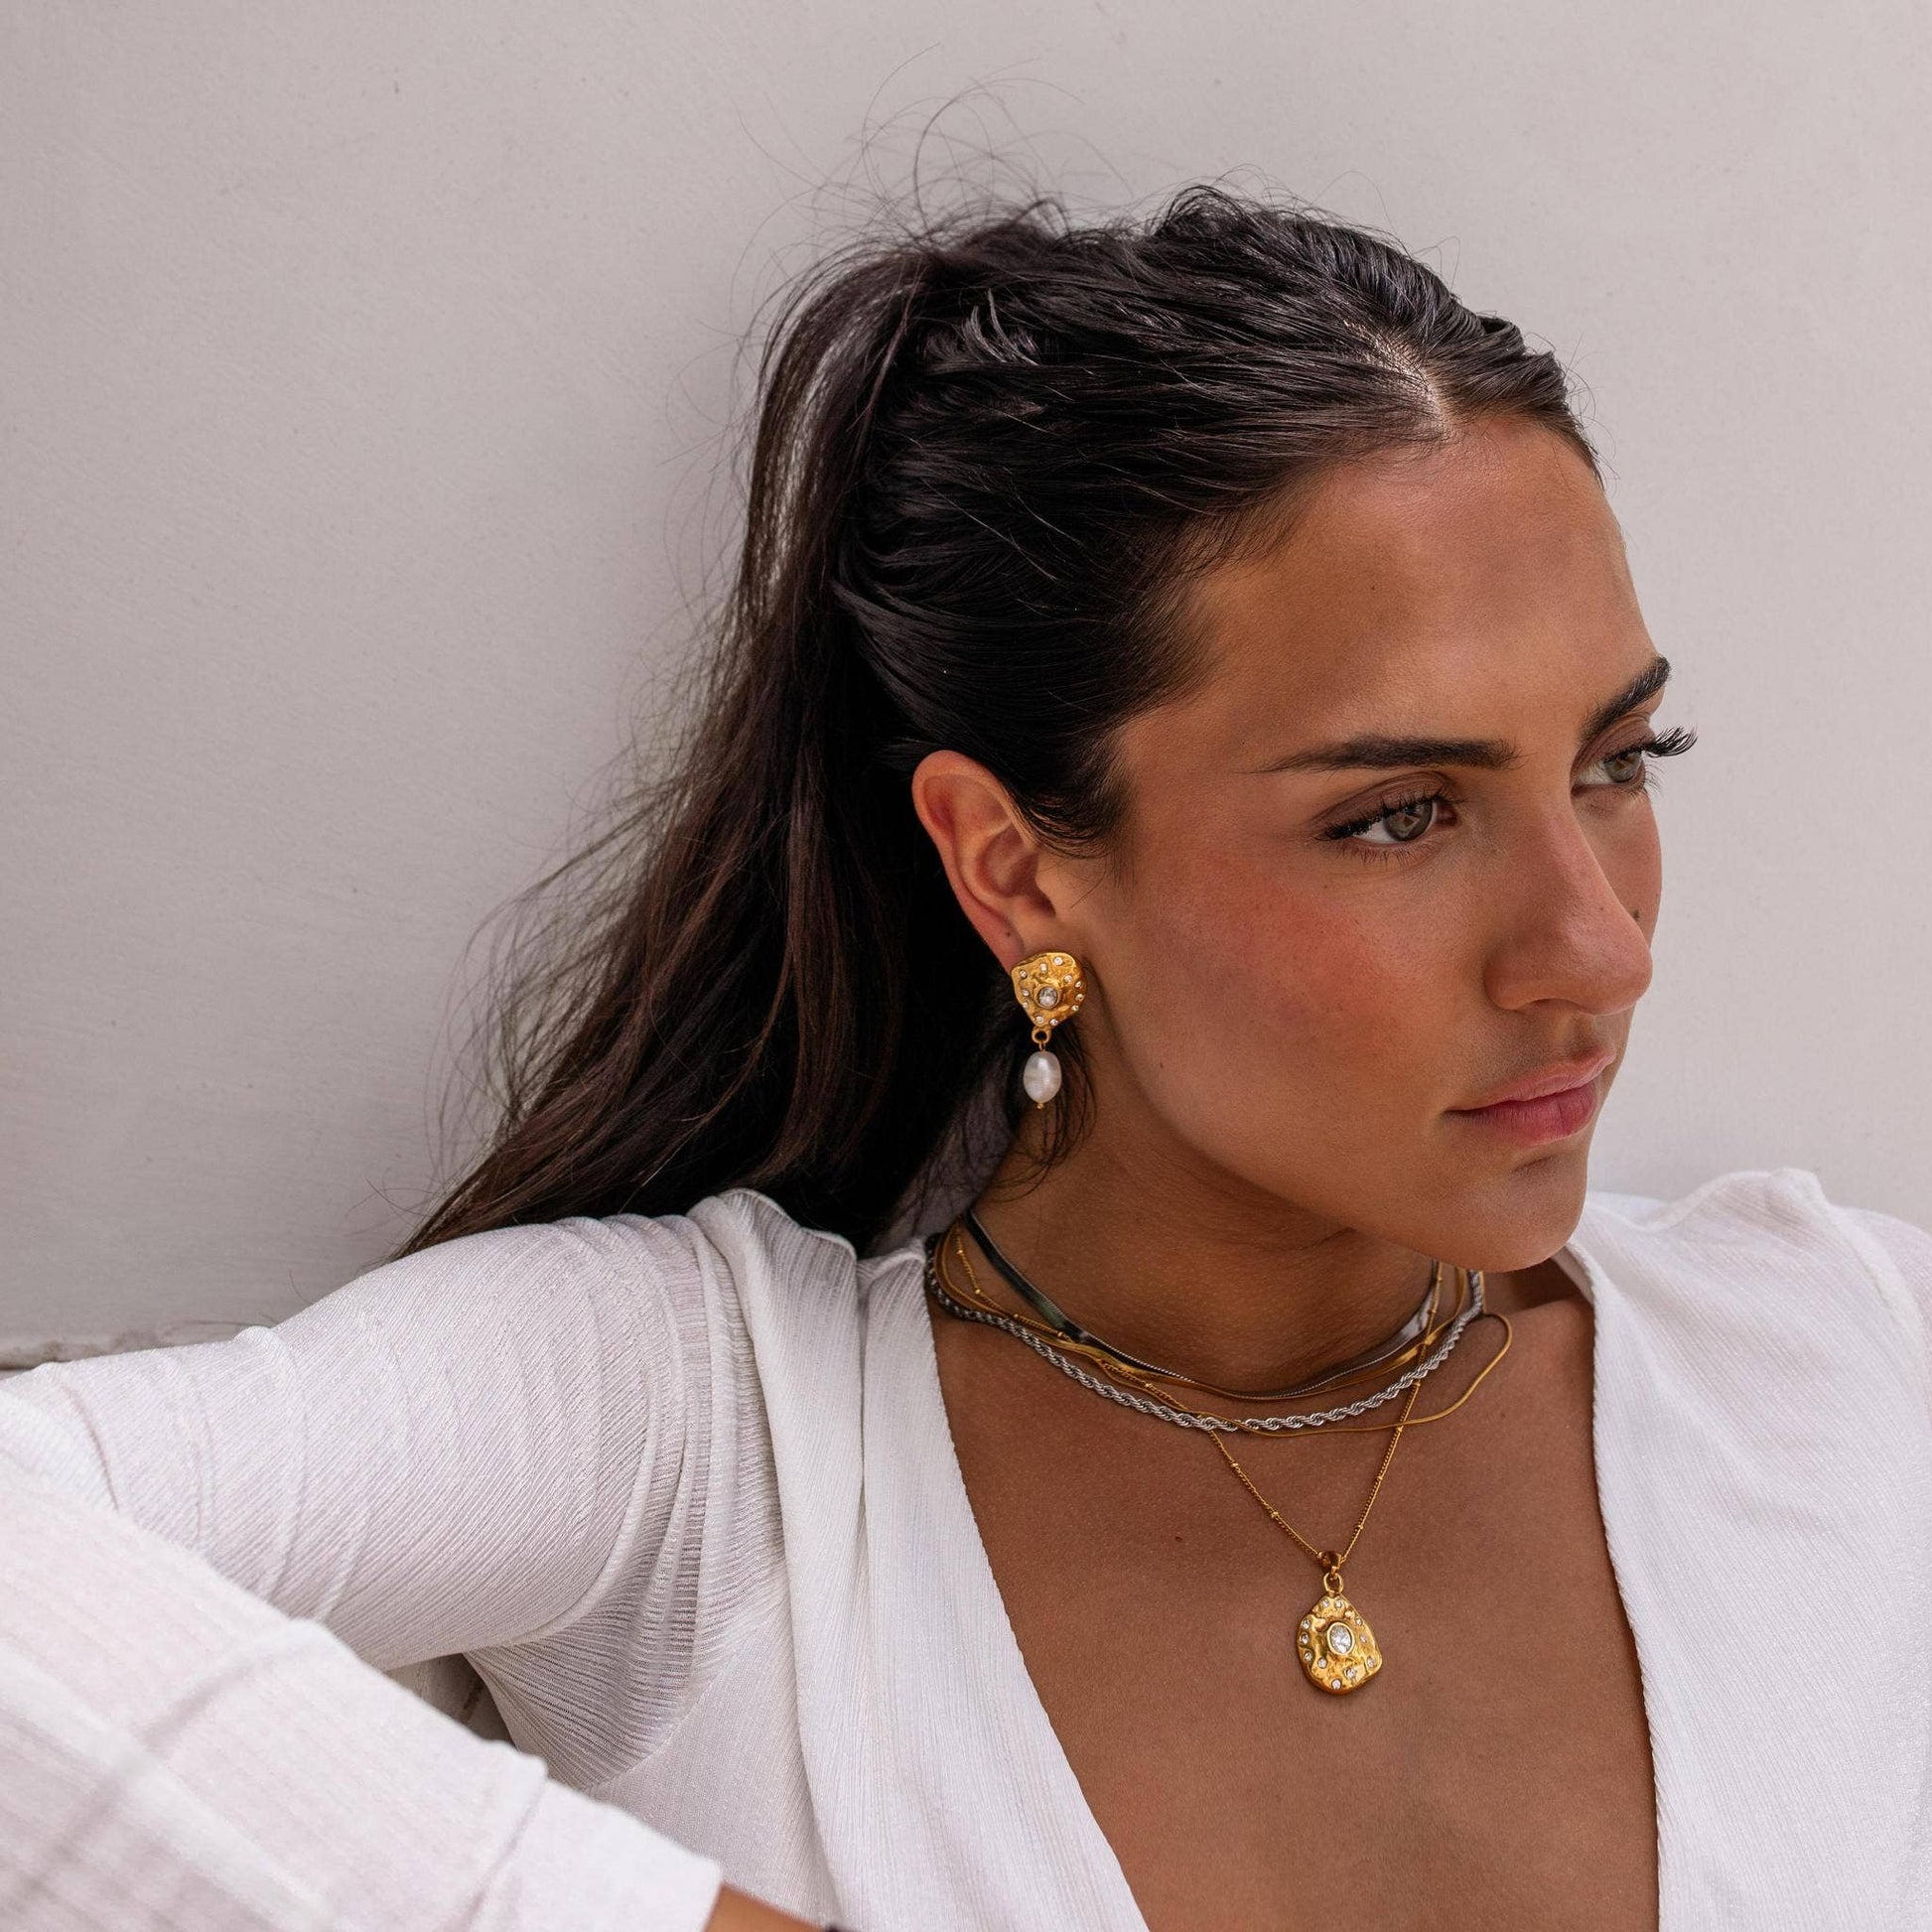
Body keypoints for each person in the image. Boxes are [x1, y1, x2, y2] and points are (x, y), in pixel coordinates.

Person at [3, 184, 1928, 1932]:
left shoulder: (1850, 1366)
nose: (1596, 944)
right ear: (1012, 867)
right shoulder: (705, 1446)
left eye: (1616, 764)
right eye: (1398, 815)